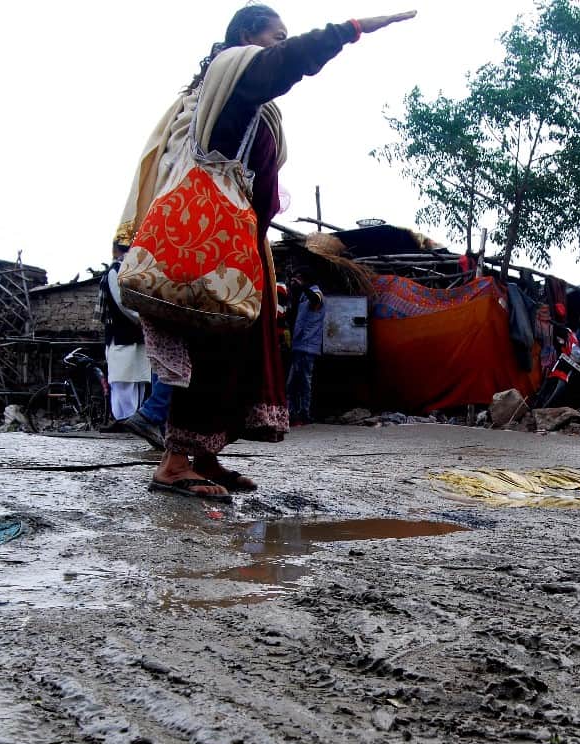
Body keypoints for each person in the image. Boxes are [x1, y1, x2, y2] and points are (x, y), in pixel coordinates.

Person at [116, 5, 416, 502]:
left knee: (238, 351)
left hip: (240, 237)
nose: (282, 42)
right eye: (276, 35)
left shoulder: (233, 94)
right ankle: (173, 464)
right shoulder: (235, 73)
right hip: (213, 235)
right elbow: (285, 63)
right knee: (211, 344)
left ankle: (205, 457)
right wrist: (350, 30)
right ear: (246, 36)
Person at [97, 244, 151, 422]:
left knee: (138, 381)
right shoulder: (115, 272)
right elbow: (123, 304)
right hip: (122, 337)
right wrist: (146, 319)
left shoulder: (135, 272)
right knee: (123, 381)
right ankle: (124, 420)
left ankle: (135, 420)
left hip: (138, 338)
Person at [287, 271, 325, 426]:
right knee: (293, 383)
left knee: (303, 381)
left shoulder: (316, 293)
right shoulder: (302, 297)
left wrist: (303, 286)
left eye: (299, 278)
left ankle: (304, 413)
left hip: (308, 346)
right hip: (299, 345)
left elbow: (315, 299)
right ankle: (293, 413)